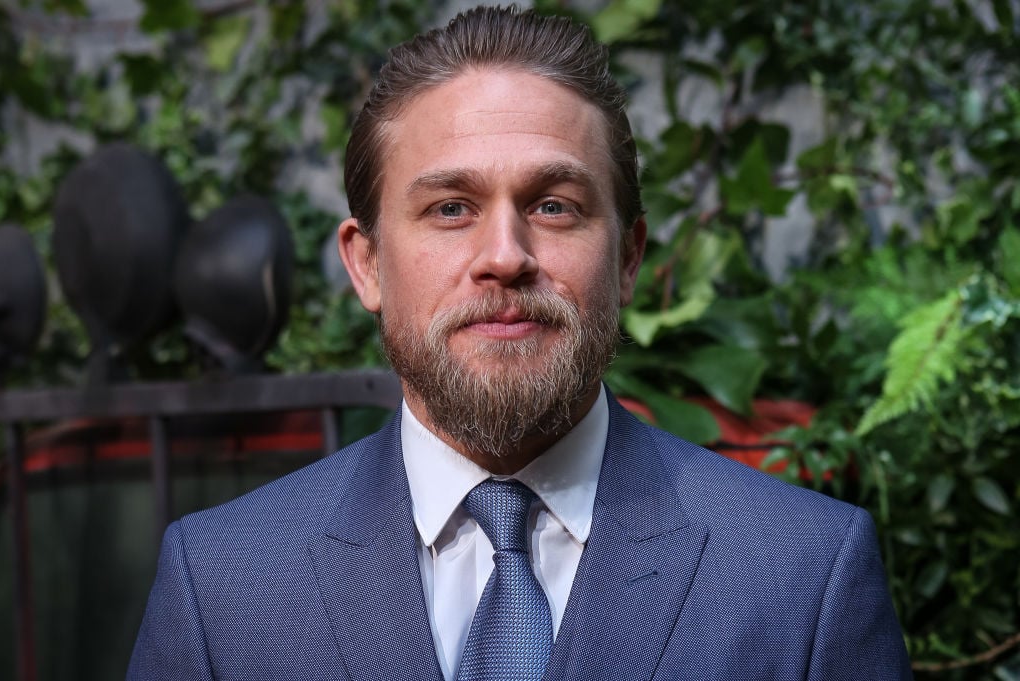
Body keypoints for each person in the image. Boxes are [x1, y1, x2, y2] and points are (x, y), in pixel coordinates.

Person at [128, 6, 913, 680]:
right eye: (450, 208)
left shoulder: (803, 575)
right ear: (366, 264)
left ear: (628, 258)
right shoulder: (223, 589)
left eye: (555, 205)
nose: (505, 255)